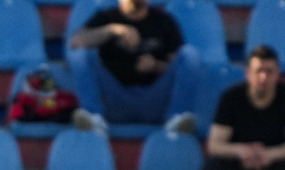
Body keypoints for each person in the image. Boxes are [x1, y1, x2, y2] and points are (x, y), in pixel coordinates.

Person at [66, 0, 196, 129]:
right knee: (80, 54)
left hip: (154, 99)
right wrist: (113, 29)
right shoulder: (106, 18)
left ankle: (176, 118)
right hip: (114, 98)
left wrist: (156, 65)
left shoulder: (163, 20)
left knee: (189, 54)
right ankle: (93, 117)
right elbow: (75, 43)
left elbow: (178, 65)